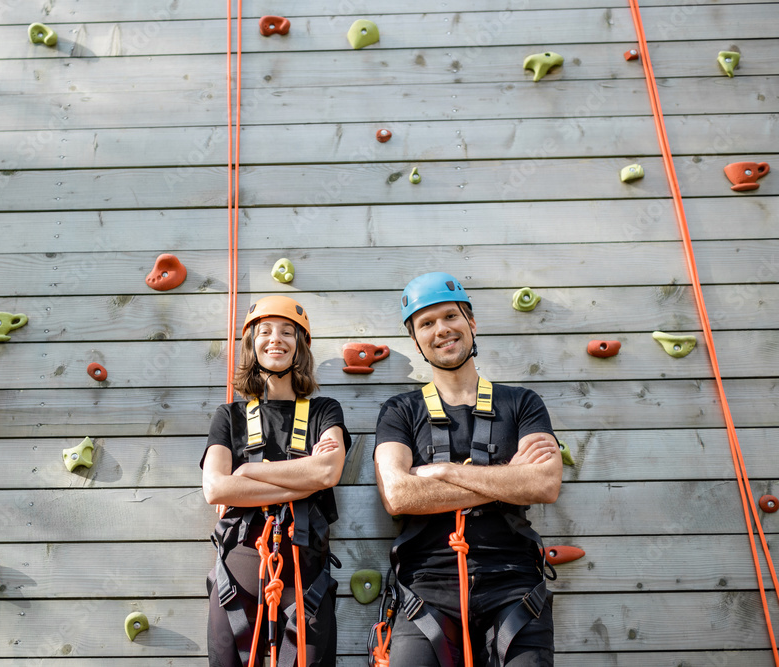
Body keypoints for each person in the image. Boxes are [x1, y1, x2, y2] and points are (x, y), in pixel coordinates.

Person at [373, 272, 562, 667]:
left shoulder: (522, 403)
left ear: (471, 323)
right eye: (426, 323)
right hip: (426, 588)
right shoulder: (400, 411)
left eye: (450, 317)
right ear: (416, 340)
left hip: (514, 584)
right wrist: (511, 477)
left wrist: (441, 472)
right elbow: (398, 495)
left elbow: (544, 483)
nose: (441, 329)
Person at [202, 295, 351, 667]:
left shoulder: (324, 411)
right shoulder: (229, 416)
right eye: (264, 331)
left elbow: (328, 472)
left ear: (301, 346)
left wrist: (249, 472)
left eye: (288, 332)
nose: (276, 339)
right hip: (240, 562)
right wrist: (305, 477)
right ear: (251, 344)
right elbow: (217, 488)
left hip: (305, 566)